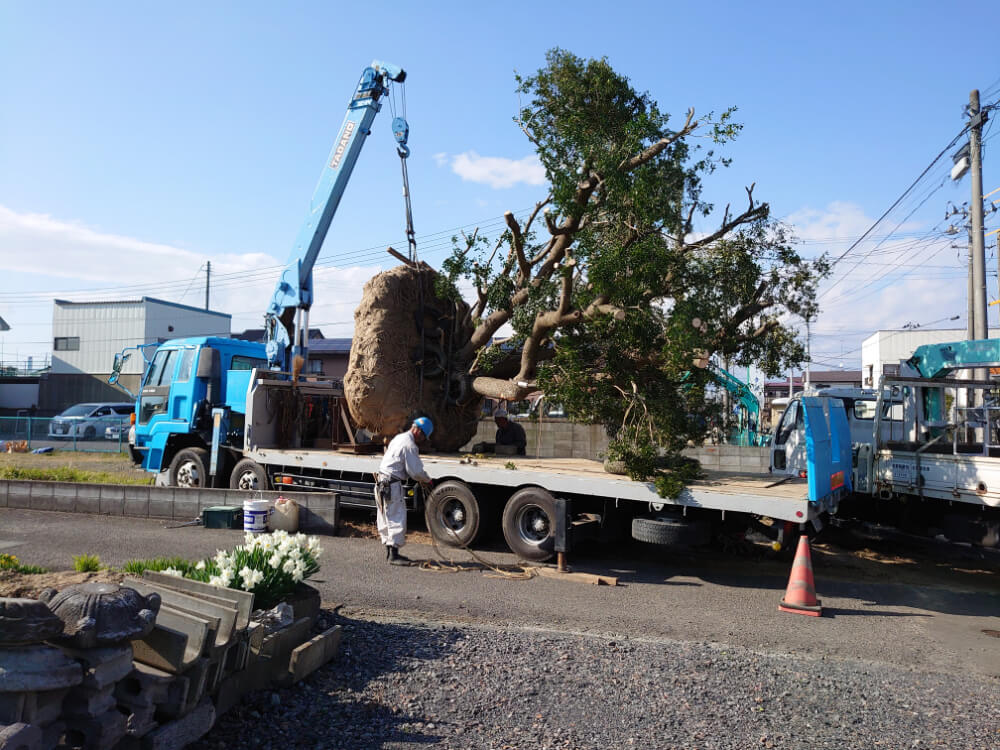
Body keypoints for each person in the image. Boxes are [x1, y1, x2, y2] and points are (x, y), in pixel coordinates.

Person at [374, 417, 434, 565]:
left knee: (386, 518)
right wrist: (427, 480)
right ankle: (394, 556)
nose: (422, 440)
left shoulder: (399, 438)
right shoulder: (409, 445)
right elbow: (415, 471)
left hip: (381, 482)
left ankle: (390, 553)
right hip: (391, 485)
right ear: (419, 432)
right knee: (396, 517)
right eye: (423, 437)